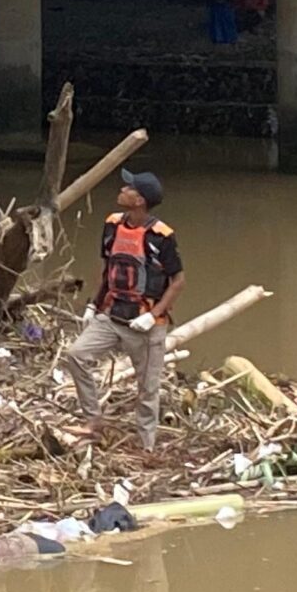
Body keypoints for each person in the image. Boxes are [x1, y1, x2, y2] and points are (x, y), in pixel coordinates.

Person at [63, 170, 184, 451]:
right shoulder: (112, 225)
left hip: (145, 325)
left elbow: (178, 282)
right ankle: (93, 422)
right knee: (76, 355)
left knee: (147, 388)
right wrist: (94, 304)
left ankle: (147, 447)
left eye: (128, 188)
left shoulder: (161, 236)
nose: (121, 189)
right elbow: (108, 268)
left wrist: (152, 316)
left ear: (139, 200)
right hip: (112, 315)